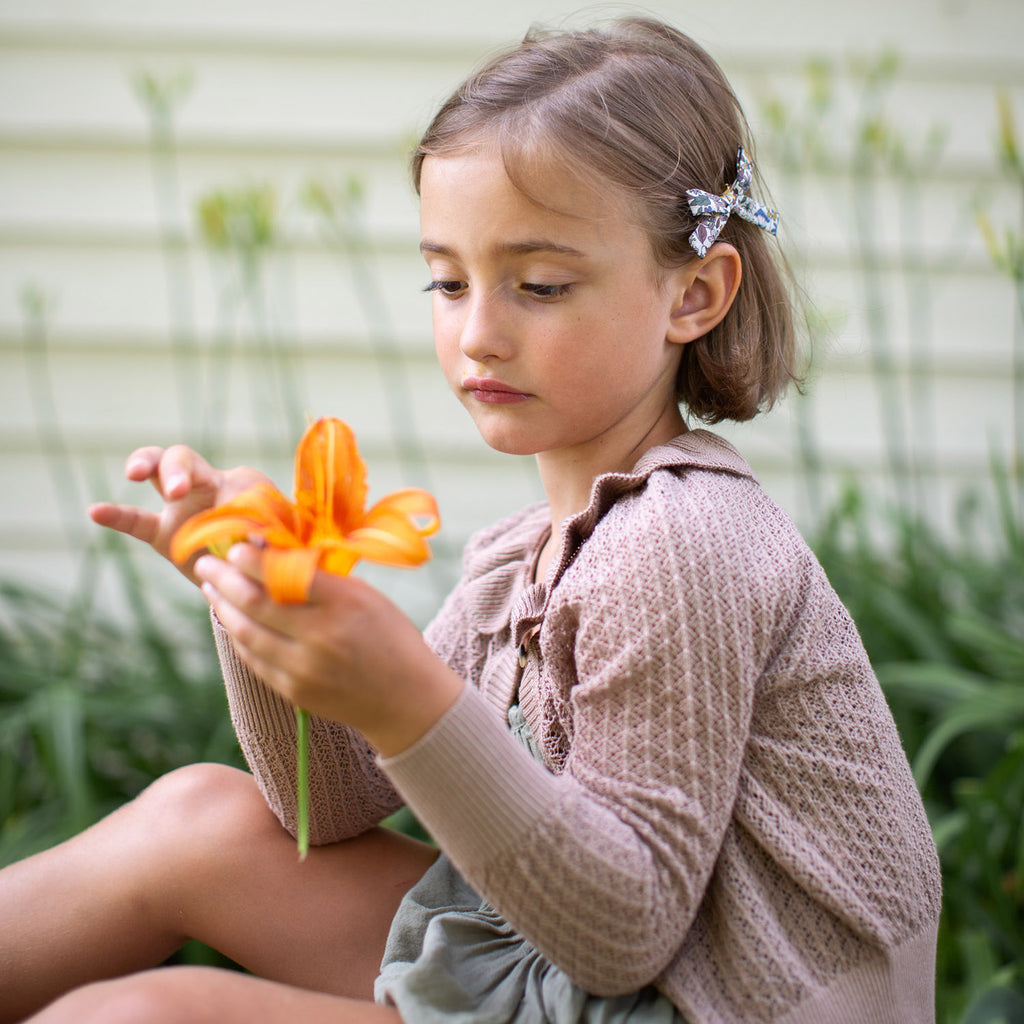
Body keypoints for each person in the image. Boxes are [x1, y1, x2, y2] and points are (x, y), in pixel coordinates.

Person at [0, 16, 941, 1024]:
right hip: (588, 967)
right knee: (199, 815)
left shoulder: (681, 543)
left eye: (538, 285)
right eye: (446, 281)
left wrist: (407, 697)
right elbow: (328, 805)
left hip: (720, 997)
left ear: (695, 293)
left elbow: (625, 931)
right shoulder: (518, 561)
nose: (478, 333)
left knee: (146, 1019)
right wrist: (255, 595)